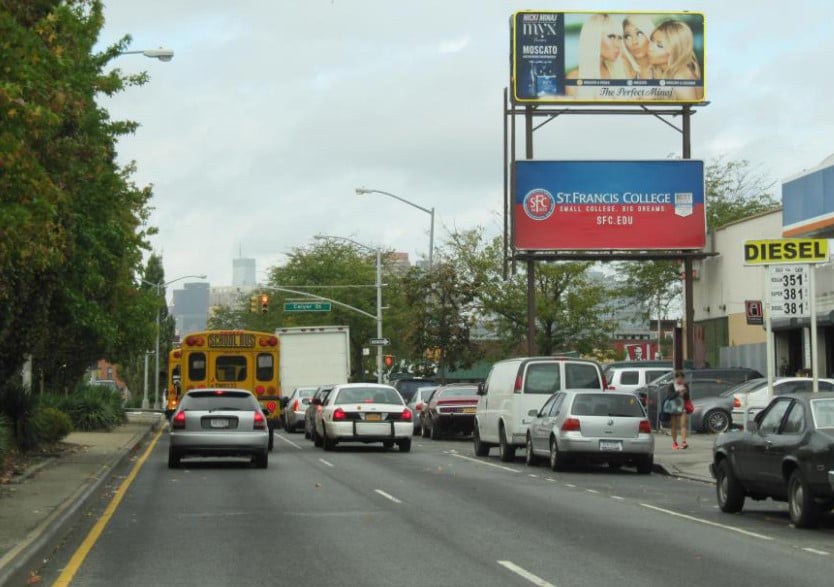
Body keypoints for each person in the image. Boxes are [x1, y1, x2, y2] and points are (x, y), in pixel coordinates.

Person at [565, 14, 630, 99]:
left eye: (620, 38)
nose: (618, 44)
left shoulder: (622, 72)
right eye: (611, 37)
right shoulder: (574, 79)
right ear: (594, 38)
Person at [648, 19, 703, 100]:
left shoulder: (680, 79)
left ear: (676, 51)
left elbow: (691, 109)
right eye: (652, 40)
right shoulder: (674, 73)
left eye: (660, 45)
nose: (650, 48)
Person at [621, 14, 657, 80]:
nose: (634, 42)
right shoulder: (623, 71)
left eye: (639, 34)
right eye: (628, 37)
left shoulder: (665, 70)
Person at [663, 370, 689, 449]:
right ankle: (675, 442)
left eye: (682, 378)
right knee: (674, 426)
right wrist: (678, 392)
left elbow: (687, 398)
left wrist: (685, 393)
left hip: (682, 408)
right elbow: (669, 396)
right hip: (673, 408)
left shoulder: (685, 386)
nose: (680, 380)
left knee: (683, 425)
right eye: (679, 378)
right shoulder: (672, 386)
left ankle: (684, 442)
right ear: (675, 378)